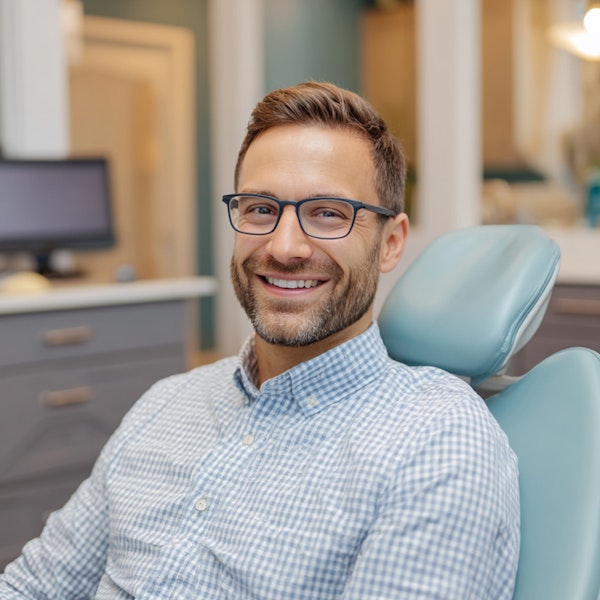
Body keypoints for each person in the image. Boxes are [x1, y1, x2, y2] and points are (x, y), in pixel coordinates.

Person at [0, 81, 519, 598]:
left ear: (391, 242)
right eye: (260, 209)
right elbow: (34, 586)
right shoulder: (166, 404)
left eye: (328, 213)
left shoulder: (435, 439)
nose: (284, 246)